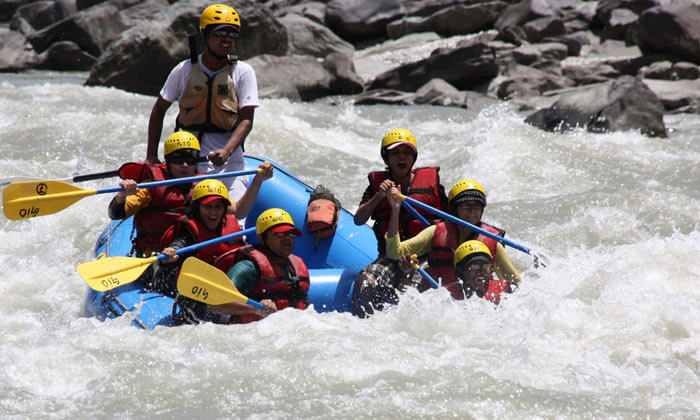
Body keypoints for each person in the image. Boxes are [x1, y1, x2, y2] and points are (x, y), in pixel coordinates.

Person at [146, 4, 259, 201]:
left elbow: (247, 120)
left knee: (233, 222)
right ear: (205, 35)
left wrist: (226, 151)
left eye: (232, 34)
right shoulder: (183, 70)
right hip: (188, 165)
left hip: (230, 165)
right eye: (220, 32)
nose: (227, 38)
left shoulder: (243, 72)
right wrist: (151, 157)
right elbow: (158, 111)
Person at [385, 179, 521, 298]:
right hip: (439, 295)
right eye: (466, 205)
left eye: (477, 206)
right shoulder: (435, 232)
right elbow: (394, 252)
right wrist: (395, 209)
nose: (472, 211)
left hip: (474, 296)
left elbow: (514, 281)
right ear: (455, 209)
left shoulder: (491, 240)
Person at [353, 128, 448, 256]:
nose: (402, 156)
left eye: (407, 152)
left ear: (413, 158)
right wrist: (379, 196)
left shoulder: (434, 186)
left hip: (429, 256)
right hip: (392, 258)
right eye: (395, 153)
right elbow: (358, 220)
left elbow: (453, 222)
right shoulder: (376, 187)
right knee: (365, 277)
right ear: (386, 159)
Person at [109, 131, 203, 257]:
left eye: (191, 160)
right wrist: (121, 195)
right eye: (178, 160)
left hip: (190, 253)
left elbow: (232, 211)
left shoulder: (204, 186)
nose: (185, 165)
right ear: (167, 161)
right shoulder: (150, 187)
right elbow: (116, 214)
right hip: (154, 256)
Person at [208, 208, 310, 323]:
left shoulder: (297, 267)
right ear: (262, 238)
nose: (287, 239)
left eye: (290, 233)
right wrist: (255, 309)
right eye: (280, 234)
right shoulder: (248, 268)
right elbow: (215, 303)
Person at [351, 254, 422, 318]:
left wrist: (407, 272)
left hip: (415, 271)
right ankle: (363, 319)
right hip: (390, 260)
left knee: (411, 299)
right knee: (364, 283)